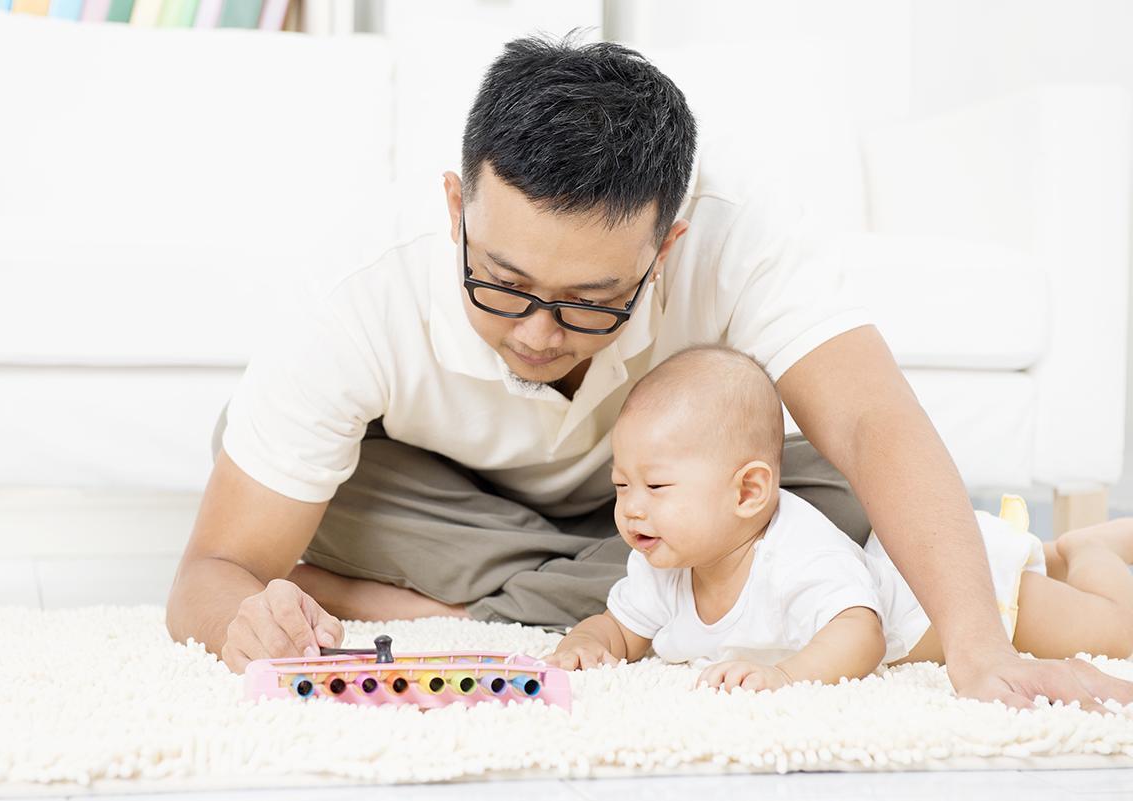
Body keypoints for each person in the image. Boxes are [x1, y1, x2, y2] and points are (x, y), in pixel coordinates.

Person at [165, 33, 1133, 709]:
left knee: (819, 510)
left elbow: (873, 421)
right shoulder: (354, 290)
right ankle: (519, 592)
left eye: (590, 300)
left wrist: (976, 644)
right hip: (444, 506)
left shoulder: (734, 233)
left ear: (664, 247)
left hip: (655, 507)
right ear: (457, 206)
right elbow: (211, 572)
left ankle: (1046, 564)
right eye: (503, 285)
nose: (540, 333)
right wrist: (248, 615)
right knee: (286, 472)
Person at [546, 346, 1133, 693]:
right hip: (924, 578)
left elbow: (861, 635)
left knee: (1117, 631)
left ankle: (1087, 551)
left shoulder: (795, 551)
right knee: (1045, 563)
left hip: (949, 597)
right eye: (622, 486)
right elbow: (620, 628)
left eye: (656, 486)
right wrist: (584, 644)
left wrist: (788, 676)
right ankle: (1053, 553)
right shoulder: (664, 560)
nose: (632, 508)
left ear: (748, 491)